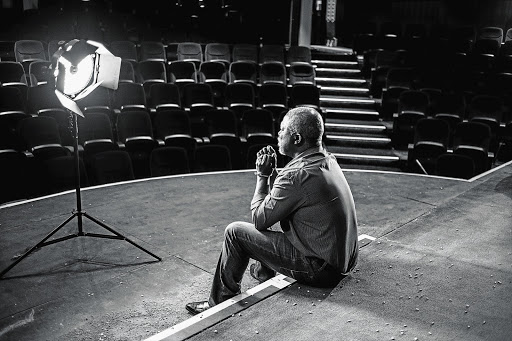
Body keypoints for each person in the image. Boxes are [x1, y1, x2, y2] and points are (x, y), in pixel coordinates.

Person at [186, 106, 359, 315]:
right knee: (280, 217)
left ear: (296, 138)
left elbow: (260, 218)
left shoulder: (295, 175)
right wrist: (277, 176)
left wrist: (263, 177)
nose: (278, 134)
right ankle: (263, 271)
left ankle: (220, 302)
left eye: (283, 130)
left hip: (321, 271)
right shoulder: (327, 160)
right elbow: (291, 198)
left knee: (235, 233)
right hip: (343, 263)